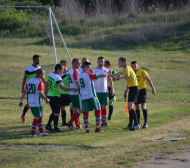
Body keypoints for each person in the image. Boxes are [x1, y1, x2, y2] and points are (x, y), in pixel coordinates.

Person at [66, 62, 109, 132]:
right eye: (89, 67)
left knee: (85, 111)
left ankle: (87, 129)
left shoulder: (78, 75)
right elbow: (100, 75)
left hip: (83, 96)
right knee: (98, 109)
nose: (90, 69)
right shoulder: (89, 75)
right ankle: (97, 128)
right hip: (91, 95)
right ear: (85, 67)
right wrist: (108, 74)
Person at [45, 64, 78, 133]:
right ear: (58, 70)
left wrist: (46, 95)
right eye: (62, 69)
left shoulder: (49, 75)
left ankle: (48, 125)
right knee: (56, 112)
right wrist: (72, 89)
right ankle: (56, 128)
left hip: (49, 95)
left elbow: (46, 84)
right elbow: (62, 88)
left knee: (54, 111)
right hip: (55, 97)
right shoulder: (57, 77)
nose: (63, 70)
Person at [19, 69, 49, 137]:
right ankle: (32, 134)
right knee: (36, 117)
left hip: (30, 102)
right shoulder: (40, 82)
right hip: (36, 102)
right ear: (41, 75)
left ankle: (41, 132)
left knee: (39, 116)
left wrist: (22, 100)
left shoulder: (30, 81)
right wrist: (46, 99)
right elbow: (40, 93)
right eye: (43, 74)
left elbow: (25, 91)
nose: (44, 76)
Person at [110, 57, 139, 130]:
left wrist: (118, 78)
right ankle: (130, 125)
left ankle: (136, 124)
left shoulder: (127, 68)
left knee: (130, 107)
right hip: (132, 88)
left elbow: (127, 75)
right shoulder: (125, 68)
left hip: (134, 88)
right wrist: (111, 75)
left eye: (119, 62)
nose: (118, 63)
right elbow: (119, 73)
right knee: (130, 108)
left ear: (123, 63)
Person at [131, 61, 156, 128]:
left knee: (143, 106)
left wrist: (153, 88)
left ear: (137, 66)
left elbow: (148, 80)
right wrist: (126, 90)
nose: (134, 68)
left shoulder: (142, 71)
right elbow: (129, 82)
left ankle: (145, 123)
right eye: (132, 67)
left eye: (135, 66)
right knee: (137, 107)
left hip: (142, 91)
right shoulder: (131, 73)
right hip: (135, 91)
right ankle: (138, 123)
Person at [20, 55, 45, 123]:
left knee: (35, 103)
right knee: (30, 104)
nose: (39, 60)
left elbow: (43, 78)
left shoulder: (40, 68)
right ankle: (24, 115)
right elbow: (24, 78)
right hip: (31, 89)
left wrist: (45, 85)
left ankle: (36, 117)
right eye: (37, 59)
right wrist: (23, 88)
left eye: (39, 59)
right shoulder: (28, 68)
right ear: (34, 60)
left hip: (39, 89)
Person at [92, 57, 114, 126]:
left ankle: (104, 122)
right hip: (96, 92)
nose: (101, 63)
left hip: (105, 91)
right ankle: (98, 121)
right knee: (97, 107)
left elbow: (110, 79)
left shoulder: (106, 70)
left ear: (104, 63)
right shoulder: (93, 70)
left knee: (104, 106)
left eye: (102, 62)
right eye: (100, 61)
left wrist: (112, 88)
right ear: (97, 62)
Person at [66, 59, 82, 129]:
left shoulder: (69, 71)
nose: (79, 65)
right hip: (77, 93)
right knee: (81, 109)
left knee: (75, 109)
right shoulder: (75, 72)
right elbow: (77, 82)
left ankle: (77, 125)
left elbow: (69, 82)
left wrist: (70, 88)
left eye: (79, 63)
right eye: (78, 63)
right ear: (73, 63)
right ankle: (70, 122)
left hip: (71, 92)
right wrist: (82, 89)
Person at [59, 60, 74, 126]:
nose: (61, 67)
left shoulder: (69, 73)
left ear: (66, 65)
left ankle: (72, 121)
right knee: (62, 107)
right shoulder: (59, 74)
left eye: (62, 65)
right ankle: (64, 122)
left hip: (69, 93)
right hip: (62, 93)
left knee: (72, 107)